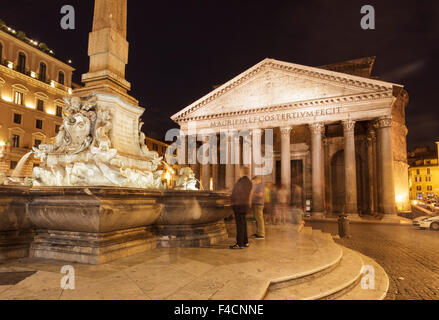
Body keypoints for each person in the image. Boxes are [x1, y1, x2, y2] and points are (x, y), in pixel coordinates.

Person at [230, 166, 252, 249]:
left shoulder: (241, 181)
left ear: (242, 172)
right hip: (245, 205)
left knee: (239, 225)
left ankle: (239, 243)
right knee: (244, 224)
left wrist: (233, 201)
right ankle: (245, 242)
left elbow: (236, 192)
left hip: (239, 205)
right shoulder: (249, 182)